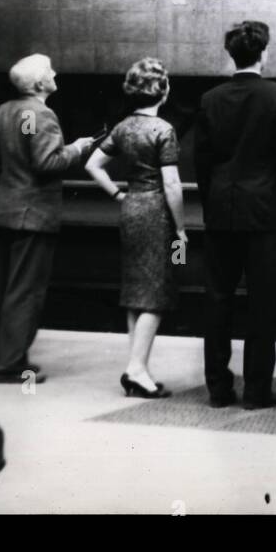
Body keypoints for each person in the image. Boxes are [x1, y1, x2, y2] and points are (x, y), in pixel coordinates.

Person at [194, 21, 276, 409]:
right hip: (264, 212)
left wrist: (212, 203)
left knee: (217, 300)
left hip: (221, 210)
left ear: (231, 55)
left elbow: (201, 163)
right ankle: (257, 391)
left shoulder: (210, 99)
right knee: (263, 303)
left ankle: (218, 389)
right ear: (264, 54)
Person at [0, 54, 94, 383]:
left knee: (6, 289)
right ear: (38, 84)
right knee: (25, 291)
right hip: (33, 215)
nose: (55, 73)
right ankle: (10, 365)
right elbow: (46, 163)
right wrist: (77, 149)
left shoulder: (4, 111)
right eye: (49, 71)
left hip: (6, 211)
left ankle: (7, 355)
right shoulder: (40, 114)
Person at [85, 58, 186, 398]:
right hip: (157, 211)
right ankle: (136, 369)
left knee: (135, 292)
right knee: (155, 295)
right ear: (164, 91)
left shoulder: (123, 127)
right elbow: (172, 185)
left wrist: (116, 193)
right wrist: (182, 228)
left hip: (131, 208)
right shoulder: (164, 130)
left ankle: (136, 366)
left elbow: (93, 164)